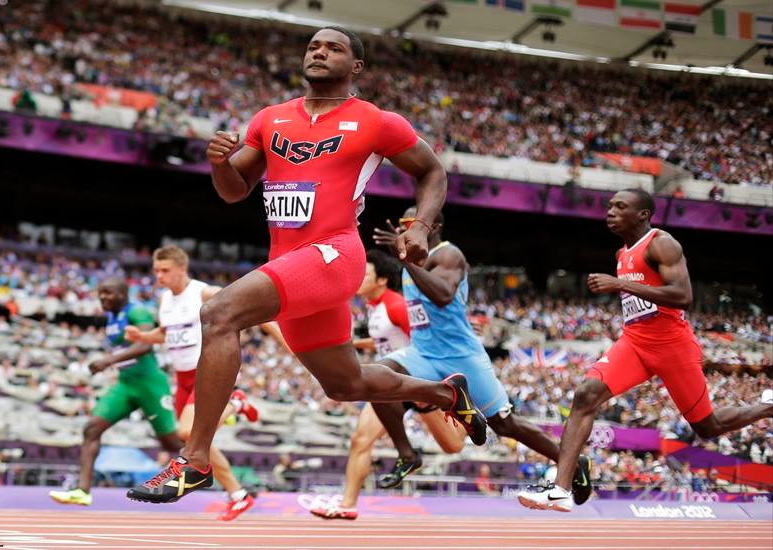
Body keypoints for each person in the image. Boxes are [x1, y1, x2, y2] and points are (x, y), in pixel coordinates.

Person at [127, 26, 487, 504]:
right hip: (290, 262)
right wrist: (219, 164)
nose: (319, 52)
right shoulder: (270, 120)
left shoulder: (375, 121)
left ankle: (194, 461)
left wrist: (420, 226)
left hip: (335, 254)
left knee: (218, 313)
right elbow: (235, 191)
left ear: (355, 66)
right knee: (345, 383)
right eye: (313, 46)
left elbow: (432, 171)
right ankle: (447, 395)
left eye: (333, 48)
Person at [518, 189, 773, 512]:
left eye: (620, 206)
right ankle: (560, 490)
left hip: (673, 347)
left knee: (707, 427)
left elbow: (683, 296)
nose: (610, 212)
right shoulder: (621, 253)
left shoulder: (662, 244)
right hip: (635, 343)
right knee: (585, 395)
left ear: (643, 214)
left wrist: (620, 284)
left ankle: (766, 408)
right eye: (609, 206)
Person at [367, 206, 591, 503]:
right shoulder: (410, 261)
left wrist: (405, 261)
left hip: (461, 356)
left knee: (504, 424)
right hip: (422, 353)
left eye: (408, 223)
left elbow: (443, 296)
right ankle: (407, 455)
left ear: (432, 227)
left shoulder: (448, 256)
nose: (402, 230)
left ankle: (573, 462)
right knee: (375, 378)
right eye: (400, 224)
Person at [309, 249, 466, 520]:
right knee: (361, 439)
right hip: (389, 387)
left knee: (453, 445)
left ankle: (477, 415)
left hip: (416, 383)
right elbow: (386, 340)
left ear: (381, 280)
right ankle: (347, 504)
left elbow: (425, 340)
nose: (358, 279)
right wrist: (354, 345)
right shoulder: (376, 307)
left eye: (365, 274)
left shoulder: (396, 305)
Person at [124, 245, 277, 520]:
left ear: (182, 268)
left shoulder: (202, 292)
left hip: (205, 374)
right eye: (156, 270)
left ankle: (236, 404)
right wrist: (143, 337)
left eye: (165, 270)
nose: (159, 276)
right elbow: (167, 333)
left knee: (188, 432)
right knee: (195, 443)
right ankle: (238, 495)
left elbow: (248, 308)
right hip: (182, 378)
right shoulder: (165, 299)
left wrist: (285, 342)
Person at [50, 277, 182, 506]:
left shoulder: (137, 312)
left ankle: (213, 469)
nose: (103, 297)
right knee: (91, 428)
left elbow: (145, 344)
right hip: (125, 384)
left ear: (123, 294)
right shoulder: (112, 316)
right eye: (100, 293)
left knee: (171, 444)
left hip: (150, 384)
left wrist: (108, 360)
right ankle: (82, 490)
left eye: (108, 293)